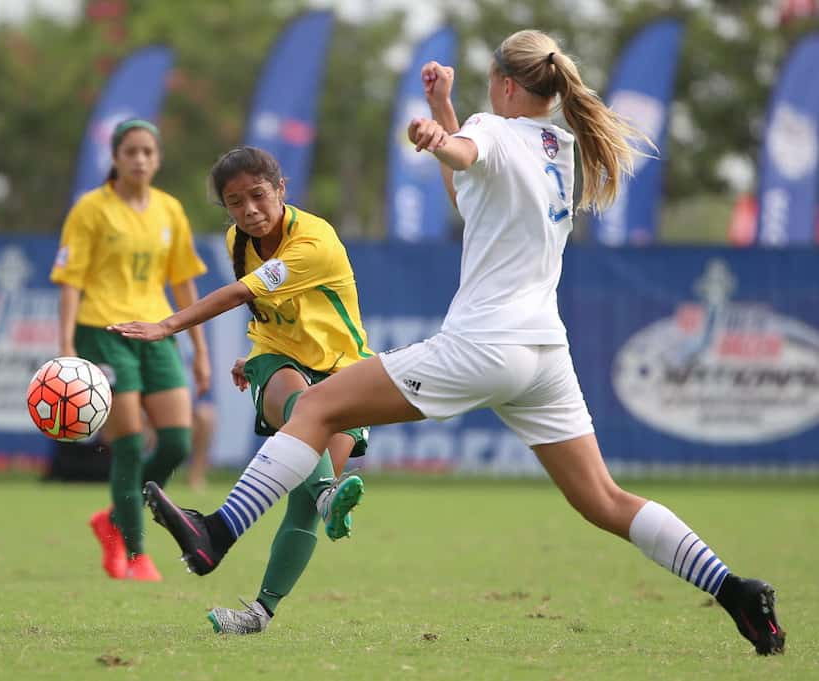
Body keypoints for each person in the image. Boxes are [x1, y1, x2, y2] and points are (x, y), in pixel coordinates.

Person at [110, 31, 786, 656]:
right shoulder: (562, 149)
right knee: (604, 499)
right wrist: (444, 109)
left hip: (484, 344)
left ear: (507, 86)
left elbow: (467, 152)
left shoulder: (493, 128)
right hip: (544, 355)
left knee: (314, 409)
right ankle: (736, 590)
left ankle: (217, 532)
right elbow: (473, 190)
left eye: (492, 83)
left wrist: (440, 134)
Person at [114, 146, 368, 634]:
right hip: (280, 365)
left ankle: (259, 614)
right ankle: (324, 496)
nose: (249, 210)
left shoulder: (314, 239)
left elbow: (241, 294)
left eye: (258, 195)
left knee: (303, 508)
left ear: (281, 190)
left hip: (344, 370)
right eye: (235, 202)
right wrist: (249, 357)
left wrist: (169, 324)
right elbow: (261, 305)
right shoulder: (239, 239)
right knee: (306, 412)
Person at [51, 118, 211, 582]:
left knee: (177, 442)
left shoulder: (169, 210)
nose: (140, 159)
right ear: (116, 158)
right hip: (102, 331)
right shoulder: (91, 209)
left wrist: (199, 349)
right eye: (131, 151)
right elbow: (70, 281)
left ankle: (113, 518)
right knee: (128, 445)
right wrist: (65, 348)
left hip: (157, 332)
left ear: (158, 159)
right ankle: (136, 554)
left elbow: (183, 282)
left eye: (148, 152)